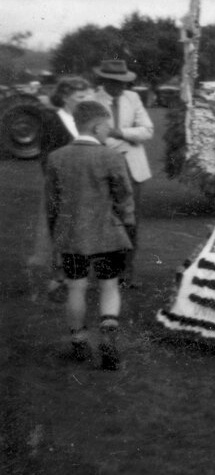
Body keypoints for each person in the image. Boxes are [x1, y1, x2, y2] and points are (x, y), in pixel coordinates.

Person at [45, 101, 135, 370]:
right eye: (107, 125)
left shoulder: (56, 157)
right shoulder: (112, 156)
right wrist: (127, 224)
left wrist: (55, 234)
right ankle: (108, 336)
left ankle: (79, 342)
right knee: (109, 285)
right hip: (107, 233)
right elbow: (124, 197)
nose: (109, 131)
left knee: (76, 287)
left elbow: (52, 204)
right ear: (96, 126)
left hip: (71, 235)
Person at [28, 76, 95, 300]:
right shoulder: (53, 119)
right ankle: (58, 279)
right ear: (65, 97)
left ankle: (76, 277)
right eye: (79, 97)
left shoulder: (86, 121)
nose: (84, 101)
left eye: (86, 96)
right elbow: (46, 156)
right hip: (60, 186)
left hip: (86, 186)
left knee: (81, 231)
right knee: (59, 229)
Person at [91, 59, 153, 287]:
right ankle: (106, 272)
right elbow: (89, 134)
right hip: (101, 166)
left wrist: (119, 133)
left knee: (131, 221)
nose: (119, 86)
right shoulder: (91, 100)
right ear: (104, 80)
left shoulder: (133, 98)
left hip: (131, 168)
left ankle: (126, 272)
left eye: (122, 81)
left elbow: (147, 130)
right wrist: (114, 143)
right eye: (114, 81)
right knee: (103, 219)